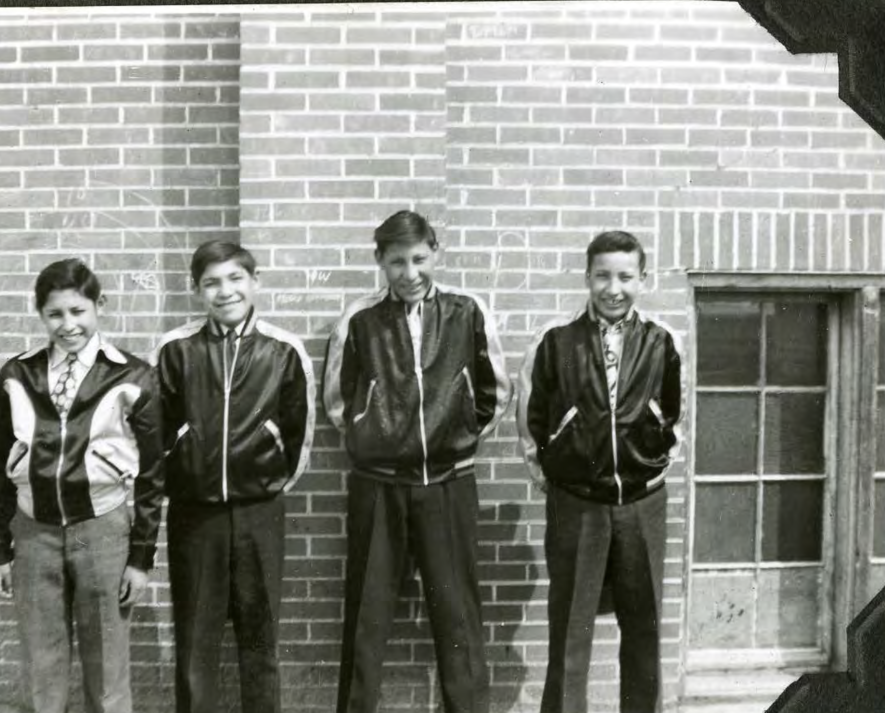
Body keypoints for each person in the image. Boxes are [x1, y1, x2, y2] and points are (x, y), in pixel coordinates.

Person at [323, 209, 512, 713]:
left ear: (436, 253)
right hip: (378, 487)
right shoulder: (359, 320)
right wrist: (378, 439)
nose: (410, 274)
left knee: (458, 619)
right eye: (397, 262)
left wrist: (456, 438)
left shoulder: (467, 312)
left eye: (419, 259)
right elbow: (339, 403)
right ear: (380, 262)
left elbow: (496, 392)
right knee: (367, 618)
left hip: (449, 484)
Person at [0, 258, 165, 713]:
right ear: (41, 315)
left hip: (103, 530)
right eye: (55, 314)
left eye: (78, 311)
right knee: (42, 667)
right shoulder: (16, 376)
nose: (68, 325)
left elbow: (153, 476)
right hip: (33, 531)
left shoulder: (133, 376)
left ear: (99, 306)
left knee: (107, 669)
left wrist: (141, 557)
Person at [516, 230, 683, 713]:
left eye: (625, 276)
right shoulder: (555, 342)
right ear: (587, 277)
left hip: (642, 502)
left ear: (642, 279)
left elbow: (677, 416)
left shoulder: (662, 342)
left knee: (644, 628)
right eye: (603, 276)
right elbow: (532, 423)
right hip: (576, 504)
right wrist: (560, 482)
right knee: (571, 629)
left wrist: (648, 473)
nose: (614, 288)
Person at [153, 240, 316, 713]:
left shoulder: (284, 351)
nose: (225, 291)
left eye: (235, 278)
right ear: (197, 290)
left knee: (259, 641)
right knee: (195, 644)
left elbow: (298, 433)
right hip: (194, 516)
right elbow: (156, 434)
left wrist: (266, 485)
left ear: (255, 281)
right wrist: (182, 477)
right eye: (212, 283)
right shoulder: (175, 350)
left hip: (258, 513)